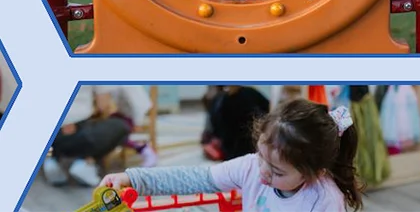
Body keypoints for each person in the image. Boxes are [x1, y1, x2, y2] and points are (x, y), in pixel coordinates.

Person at [103, 99, 363, 211]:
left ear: (314, 172)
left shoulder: (324, 200)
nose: (263, 173)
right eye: (261, 156)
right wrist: (133, 179)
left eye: (278, 172)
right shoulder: (250, 167)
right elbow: (193, 178)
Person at [42, 86, 154, 186]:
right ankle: (85, 162)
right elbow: (103, 106)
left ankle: (52, 160)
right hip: (79, 130)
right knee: (120, 126)